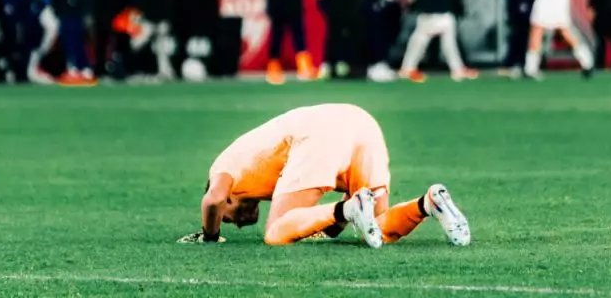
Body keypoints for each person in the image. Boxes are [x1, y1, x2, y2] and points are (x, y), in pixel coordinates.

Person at [177, 103, 471, 248]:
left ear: (230, 197)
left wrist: (210, 236)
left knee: (276, 232)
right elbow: (325, 227)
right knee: (378, 229)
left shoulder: (223, 169)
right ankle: (429, 203)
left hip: (318, 131)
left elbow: (212, 200)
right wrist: (342, 215)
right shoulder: (261, 177)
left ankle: (351, 207)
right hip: (361, 122)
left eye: (227, 218)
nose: (235, 225)